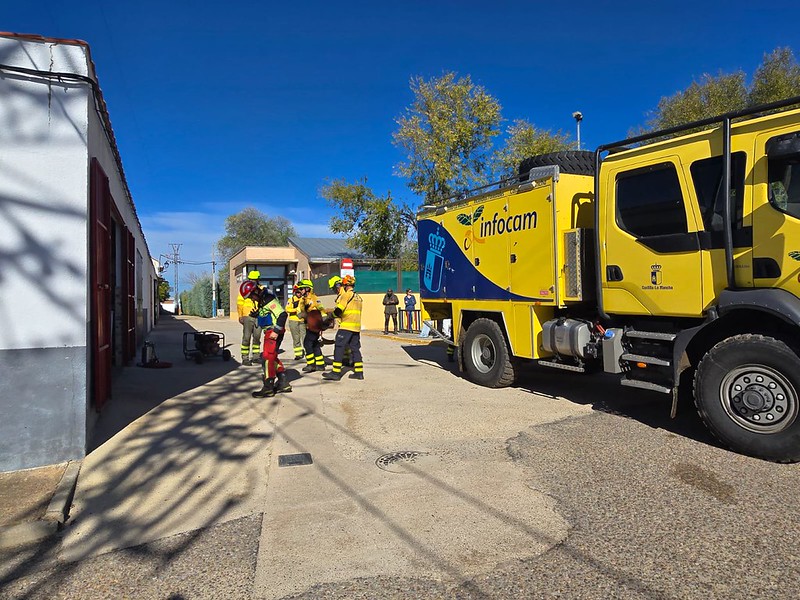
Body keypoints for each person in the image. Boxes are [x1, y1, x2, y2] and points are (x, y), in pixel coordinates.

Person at [238, 281, 292, 398]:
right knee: (272, 357)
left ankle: (268, 387)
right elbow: (267, 313)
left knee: (267, 358)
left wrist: (276, 331)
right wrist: (257, 314)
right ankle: (283, 383)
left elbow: (282, 315)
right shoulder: (262, 300)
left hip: (273, 332)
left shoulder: (268, 298)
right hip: (270, 331)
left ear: (255, 291)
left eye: (251, 296)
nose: (252, 299)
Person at [322, 275, 364, 381]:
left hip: (346, 327)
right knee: (355, 349)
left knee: (339, 347)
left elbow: (338, 311)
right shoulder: (358, 297)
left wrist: (329, 317)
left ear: (345, 285)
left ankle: (336, 373)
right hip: (356, 328)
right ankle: (359, 373)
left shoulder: (346, 295)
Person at [297, 279, 328, 372]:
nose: (300, 291)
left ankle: (311, 364)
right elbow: (301, 311)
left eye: (302, 289)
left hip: (314, 324)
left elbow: (321, 309)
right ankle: (320, 365)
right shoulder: (303, 300)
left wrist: (323, 321)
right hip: (309, 324)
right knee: (315, 344)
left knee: (307, 343)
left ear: (307, 289)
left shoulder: (314, 298)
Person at [237, 270, 263, 365]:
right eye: (252, 280)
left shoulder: (261, 289)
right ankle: (245, 358)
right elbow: (239, 303)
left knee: (257, 337)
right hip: (247, 316)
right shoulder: (245, 289)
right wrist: (240, 316)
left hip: (258, 316)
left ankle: (256, 356)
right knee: (246, 337)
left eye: (254, 280)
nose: (253, 282)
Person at [285, 284, 306, 361]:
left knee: (305, 337)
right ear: (295, 292)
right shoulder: (291, 300)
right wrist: (295, 310)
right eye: (297, 292)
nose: (299, 294)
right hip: (293, 320)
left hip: (302, 320)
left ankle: (308, 352)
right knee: (296, 338)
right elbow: (287, 309)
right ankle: (298, 354)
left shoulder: (304, 299)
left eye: (300, 292)